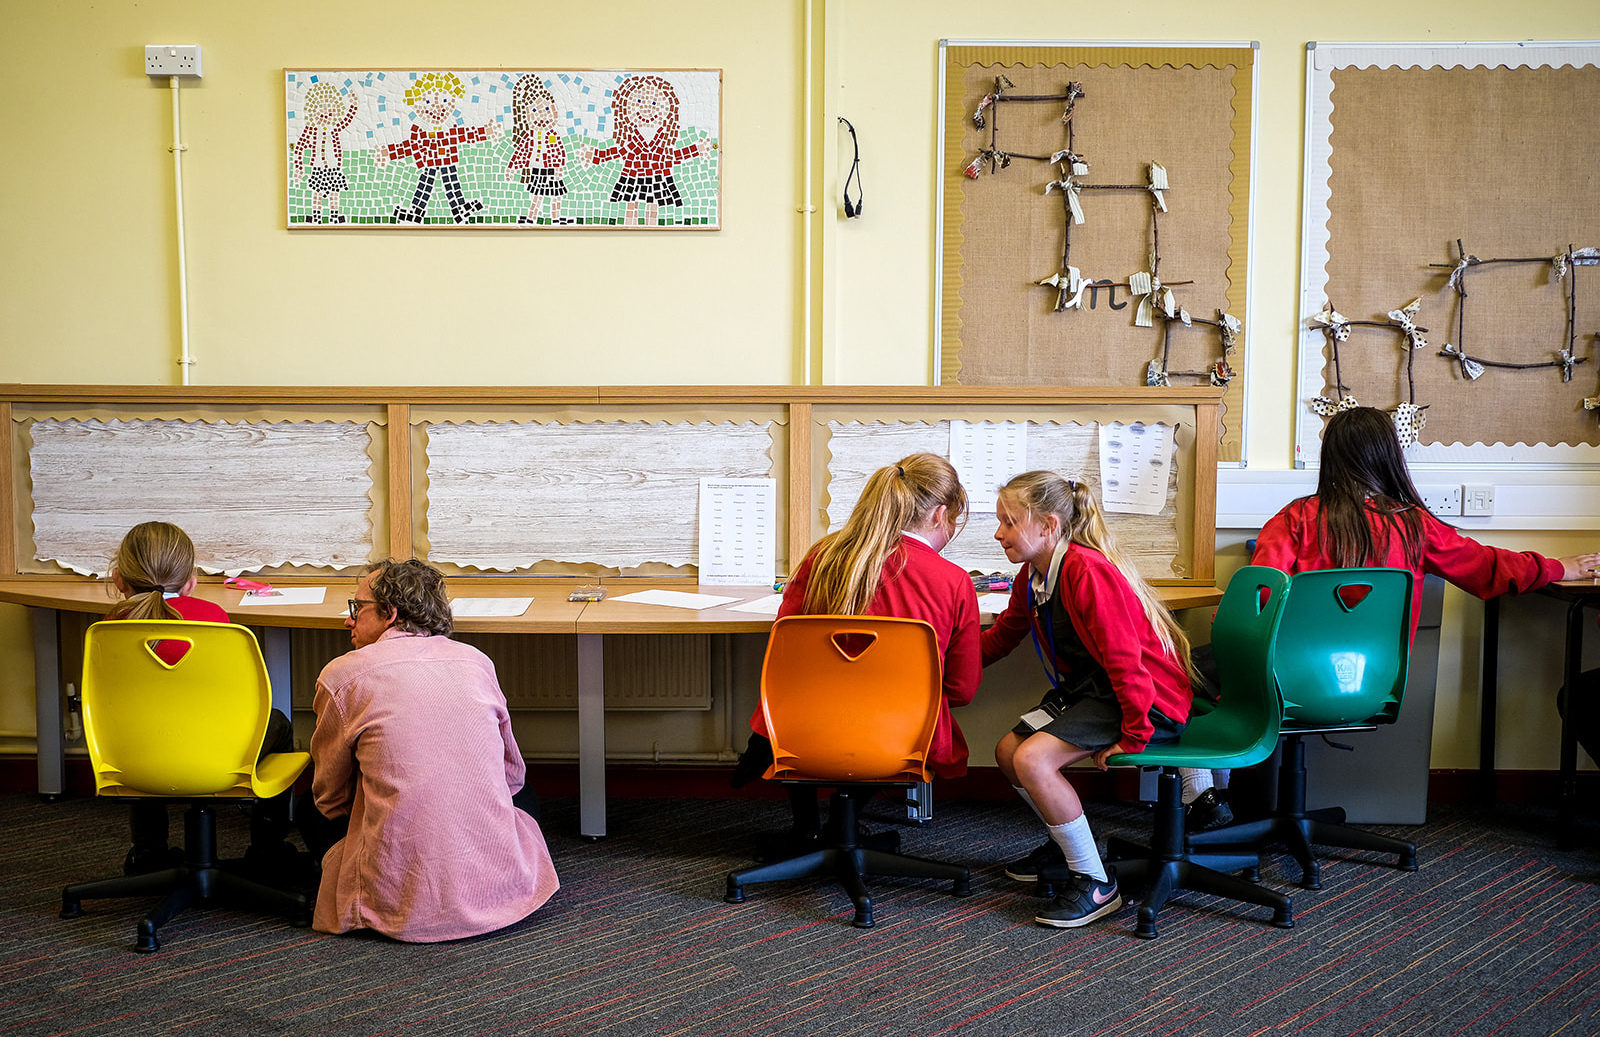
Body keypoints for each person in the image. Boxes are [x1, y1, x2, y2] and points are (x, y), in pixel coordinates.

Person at [731, 452, 981, 853]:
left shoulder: (822, 557)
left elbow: (785, 656)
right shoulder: (953, 581)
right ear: (938, 515)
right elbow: (963, 689)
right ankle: (840, 825)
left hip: (804, 731)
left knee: (806, 696)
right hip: (898, 741)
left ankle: (807, 828)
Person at [982, 472, 1197, 929]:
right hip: (1095, 691)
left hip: (1144, 700)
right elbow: (1002, 639)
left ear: (1048, 525)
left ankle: (1096, 883)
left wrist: (1136, 735)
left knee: (1034, 761)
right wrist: (940, 662)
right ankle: (1066, 847)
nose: (998, 533)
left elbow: (1126, 662)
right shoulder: (1032, 575)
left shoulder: (1086, 571)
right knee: (1007, 751)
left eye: (1009, 522)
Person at [308, 558, 559, 942]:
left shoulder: (342, 675)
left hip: (397, 881)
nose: (348, 620)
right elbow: (512, 777)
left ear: (390, 613)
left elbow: (329, 797)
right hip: (497, 890)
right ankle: (482, 875)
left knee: (305, 802)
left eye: (357, 608)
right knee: (524, 795)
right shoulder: (477, 661)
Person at [1252, 406, 1600, 637]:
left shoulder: (1294, 520)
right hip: (1375, 681)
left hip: (1287, 675)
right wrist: (1557, 568)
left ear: (1330, 458)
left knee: (1200, 670)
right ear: (1390, 457)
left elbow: (1257, 597)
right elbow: (1486, 567)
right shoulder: (1414, 525)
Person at [103, 521, 296, 875]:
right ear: (190, 581)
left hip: (138, 754)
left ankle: (148, 852)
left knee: (141, 728)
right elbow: (239, 701)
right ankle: (268, 849)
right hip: (216, 753)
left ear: (118, 579)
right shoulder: (214, 619)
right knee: (278, 722)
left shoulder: (108, 627)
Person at [506, 76, 570, 225]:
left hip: (551, 171)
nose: (542, 114)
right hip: (537, 170)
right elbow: (521, 153)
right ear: (527, 115)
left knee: (556, 195)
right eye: (535, 110)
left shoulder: (553, 136)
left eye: (547, 109)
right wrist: (512, 168)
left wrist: (559, 168)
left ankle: (556, 218)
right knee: (537, 195)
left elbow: (558, 151)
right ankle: (532, 217)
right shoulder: (530, 137)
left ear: (554, 111)